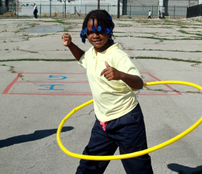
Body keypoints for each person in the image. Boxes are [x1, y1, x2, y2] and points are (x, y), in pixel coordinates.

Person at [62, 9, 153, 174]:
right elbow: (83, 59)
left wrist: (120, 75)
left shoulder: (117, 55)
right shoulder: (92, 53)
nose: (95, 36)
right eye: (90, 32)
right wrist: (70, 45)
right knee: (88, 166)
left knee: (138, 169)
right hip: (103, 123)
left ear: (109, 30)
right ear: (85, 34)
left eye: (100, 31)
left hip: (127, 121)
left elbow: (139, 83)